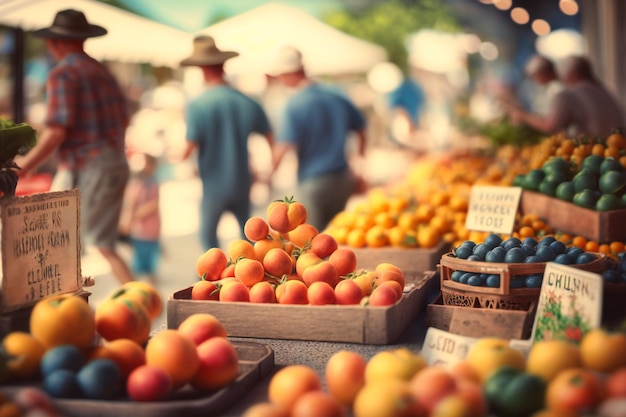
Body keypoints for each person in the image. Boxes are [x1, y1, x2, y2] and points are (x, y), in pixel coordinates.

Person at [15, 9, 134, 284]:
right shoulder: (102, 70)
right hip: (113, 161)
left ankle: (138, 308)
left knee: (63, 244)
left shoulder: (64, 72)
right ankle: (139, 307)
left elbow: (57, 131)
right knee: (100, 245)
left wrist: (25, 166)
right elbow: (125, 118)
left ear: (57, 41)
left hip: (89, 166)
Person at [179, 36, 274, 251]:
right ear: (222, 65)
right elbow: (271, 137)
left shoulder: (198, 105)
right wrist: (269, 171)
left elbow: (188, 148)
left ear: (201, 69)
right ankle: (253, 276)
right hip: (242, 180)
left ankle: (215, 282)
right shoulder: (246, 101)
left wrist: (174, 155)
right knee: (249, 237)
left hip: (213, 185)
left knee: (209, 240)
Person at [267, 46, 367, 231]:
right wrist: (359, 163)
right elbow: (361, 128)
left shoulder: (294, 104)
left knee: (310, 242)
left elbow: (284, 146)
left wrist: (269, 175)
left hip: (313, 182)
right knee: (335, 237)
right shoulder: (337, 95)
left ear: (288, 74)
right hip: (343, 180)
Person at [509, 55, 625, 138]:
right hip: (617, 150)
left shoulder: (568, 95)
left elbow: (550, 126)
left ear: (572, 74)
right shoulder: (602, 91)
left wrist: (522, 115)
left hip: (595, 156)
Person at [119, 153, 161, 283]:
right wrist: (127, 219)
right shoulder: (135, 183)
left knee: (150, 260)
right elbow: (129, 203)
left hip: (150, 228)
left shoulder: (152, 183)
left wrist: (133, 217)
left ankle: (149, 280)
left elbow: (153, 205)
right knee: (138, 260)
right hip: (139, 230)